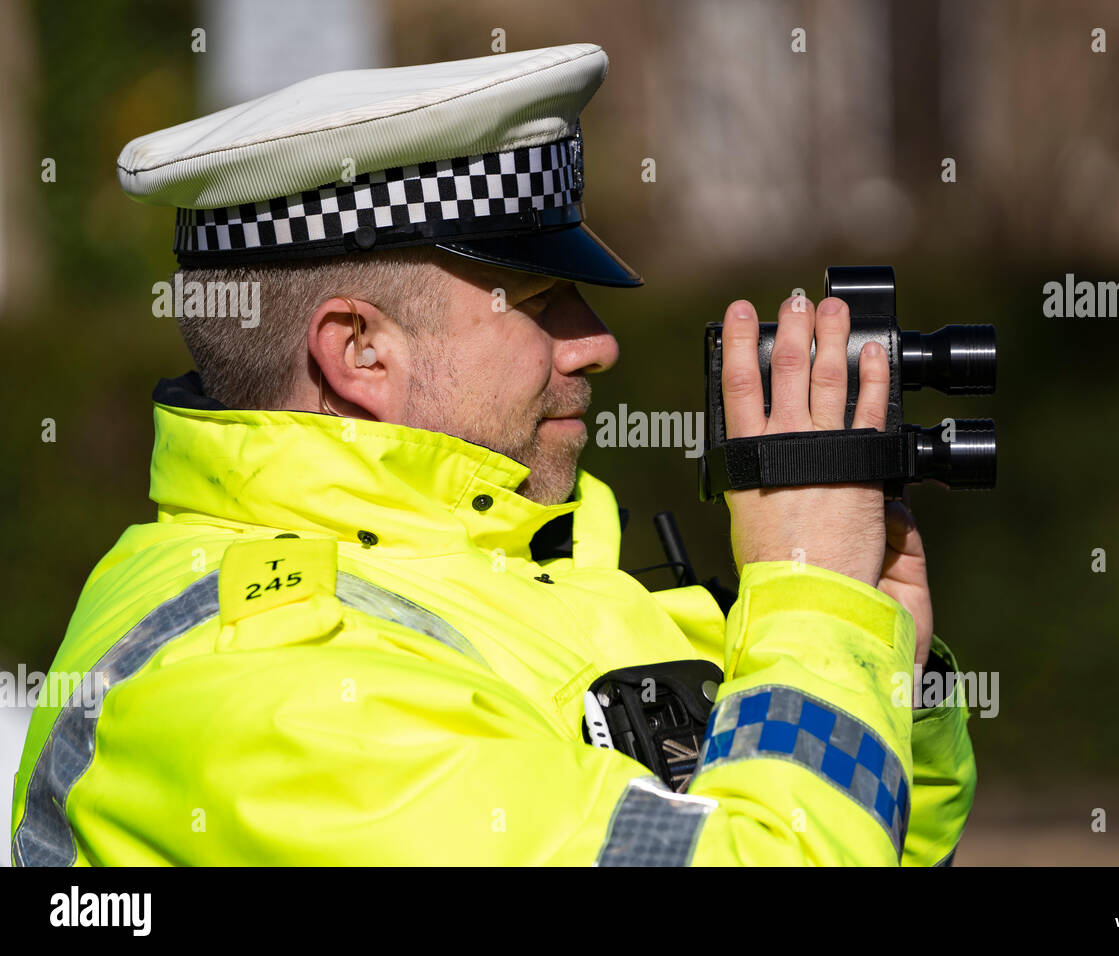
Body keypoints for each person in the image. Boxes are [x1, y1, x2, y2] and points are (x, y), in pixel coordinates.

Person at [11, 43, 974, 866]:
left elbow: (870, 838)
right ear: (361, 353)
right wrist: (814, 610)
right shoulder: (261, 696)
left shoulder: (535, 575)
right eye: (541, 298)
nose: (597, 342)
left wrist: (885, 654)